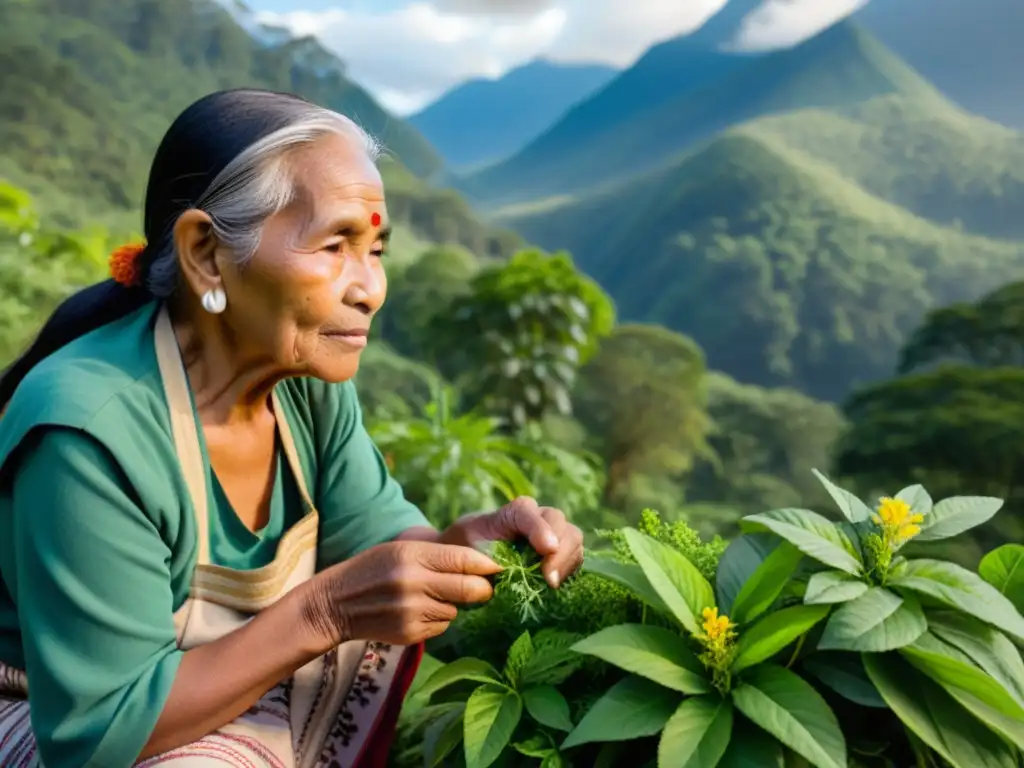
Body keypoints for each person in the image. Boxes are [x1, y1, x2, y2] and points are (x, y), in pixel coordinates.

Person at [0, 88, 584, 767]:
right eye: (336, 244)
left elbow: (391, 545)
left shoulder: (301, 388)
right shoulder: (89, 432)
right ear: (207, 254)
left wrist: (475, 545)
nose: (369, 288)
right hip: (49, 708)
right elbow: (95, 734)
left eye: (376, 250)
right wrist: (325, 610)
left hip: (195, 684)